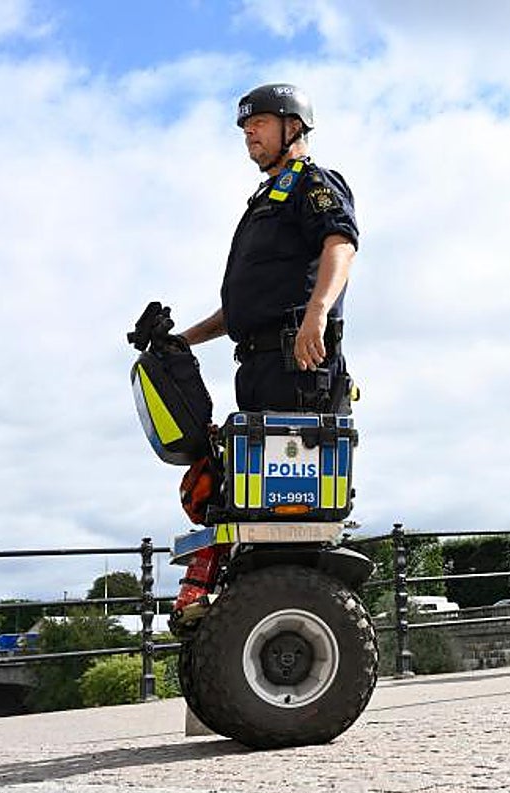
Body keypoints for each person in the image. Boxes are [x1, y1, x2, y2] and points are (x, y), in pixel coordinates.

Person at [171, 83, 360, 622]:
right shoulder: (262, 201)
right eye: (244, 126)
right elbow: (242, 306)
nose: (248, 133)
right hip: (255, 362)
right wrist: (186, 339)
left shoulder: (313, 183)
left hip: (296, 361)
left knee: (283, 494)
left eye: (259, 122)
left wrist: (317, 312)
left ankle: (283, 597)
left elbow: (339, 245)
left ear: (292, 127)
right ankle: (211, 586)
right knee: (232, 482)